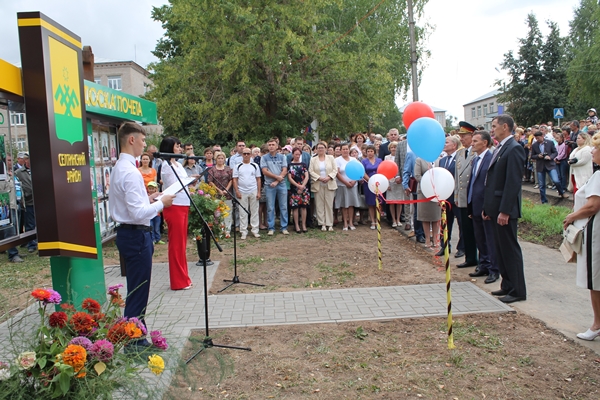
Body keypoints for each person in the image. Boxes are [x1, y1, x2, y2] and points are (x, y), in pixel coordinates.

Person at [110, 122, 174, 350]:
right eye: (143, 140)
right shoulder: (130, 172)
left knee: (138, 288)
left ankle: (139, 334)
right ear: (131, 140)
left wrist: (152, 198)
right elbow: (138, 213)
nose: (145, 145)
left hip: (130, 233)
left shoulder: (122, 168)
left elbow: (132, 206)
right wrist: (161, 204)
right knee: (138, 291)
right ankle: (133, 341)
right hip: (136, 235)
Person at [484, 115, 527, 303]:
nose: (492, 129)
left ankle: (518, 290)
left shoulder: (514, 148)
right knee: (500, 249)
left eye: (494, 126)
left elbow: (513, 183)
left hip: (505, 210)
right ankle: (507, 285)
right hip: (495, 207)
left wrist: (505, 210)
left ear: (506, 127)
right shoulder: (501, 147)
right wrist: (488, 207)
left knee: (510, 249)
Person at [563, 132, 600, 341]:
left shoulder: (599, 176)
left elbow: (593, 206)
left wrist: (572, 216)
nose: (592, 151)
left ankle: (596, 324)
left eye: (596, 148)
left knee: (595, 280)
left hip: (596, 232)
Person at [159, 136, 194, 290]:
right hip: (174, 206)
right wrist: (187, 181)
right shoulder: (166, 166)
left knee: (182, 244)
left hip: (184, 204)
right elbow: (173, 186)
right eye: (177, 146)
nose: (180, 149)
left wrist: (191, 179)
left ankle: (184, 277)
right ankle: (178, 281)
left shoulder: (178, 165)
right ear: (170, 147)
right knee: (176, 245)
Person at [467, 131, 499, 284]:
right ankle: (484, 265)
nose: (472, 144)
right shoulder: (475, 159)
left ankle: (494, 269)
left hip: (486, 206)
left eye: (475, 141)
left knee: (490, 239)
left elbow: (491, 186)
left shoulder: (491, 158)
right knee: (480, 237)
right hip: (475, 203)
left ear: (485, 143)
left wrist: (488, 206)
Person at [454, 121, 478, 267]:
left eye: (464, 136)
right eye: (460, 136)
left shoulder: (478, 153)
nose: (461, 139)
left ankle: (482, 260)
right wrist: (456, 196)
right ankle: (470, 258)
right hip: (462, 197)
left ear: (472, 135)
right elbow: (458, 178)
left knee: (477, 231)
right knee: (466, 229)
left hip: (473, 197)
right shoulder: (460, 153)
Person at [435, 135, 461, 257]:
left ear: (454, 145)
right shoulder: (442, 160)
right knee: (445, 222)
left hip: (456, 197)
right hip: (445, 197)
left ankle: (462, 248)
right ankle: (445, 245)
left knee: (461, 223)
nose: (444, 144)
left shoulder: (460, 158)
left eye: (447, 142)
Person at [530, 131, 569, 203]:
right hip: (540, 166)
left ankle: (561, 192)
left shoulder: (550, 142)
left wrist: (550, 157)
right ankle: (544, 201)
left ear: (542, 136)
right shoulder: (535, 145)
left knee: (556, 180)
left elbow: (555, 152)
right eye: (536, 138)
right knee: (541, 185)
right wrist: (538, 156)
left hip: (550, 165)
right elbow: (532, 156)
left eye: (538, 138)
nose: (537, 139)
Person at [261, 138, 289, 235]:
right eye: (270, 145)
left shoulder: (282, 157)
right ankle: (271, 228)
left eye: (273, 144)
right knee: (270, 207)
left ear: (277, 146)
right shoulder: (264, 158)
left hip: (281, 184)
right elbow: (265, 171)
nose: (271, 146)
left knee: (283, 206)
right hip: (269, 185)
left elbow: (284, 170)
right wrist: (277, 177)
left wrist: (277, 181)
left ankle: (284, 227)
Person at [233, 148, 261, 239]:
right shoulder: (238, 166)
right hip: (242, 191)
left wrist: (259, 191)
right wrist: (237, 191)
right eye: (244, 154)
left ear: (250, 155)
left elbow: (258, 179)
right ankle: (243, 231)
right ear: (242, 155)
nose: (246, 155)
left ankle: (255, 230)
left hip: (253, 190)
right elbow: (235, 179)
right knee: (242, 212)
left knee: (254, 211)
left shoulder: (255, 165)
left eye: (248, 154)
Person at [309, 142, 338, 231]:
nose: (320, 149)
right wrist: (319, 178)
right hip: (318, 184)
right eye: (319, 148)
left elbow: (335, 169)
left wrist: (329, 177)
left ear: (325, 149)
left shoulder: (331, 158)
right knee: (319, 204)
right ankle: (322, 223)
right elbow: (311, 171)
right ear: (316, 149)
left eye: (322, 148)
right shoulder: (313, 159)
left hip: (329, 183)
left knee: (329, 204)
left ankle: (330, 224)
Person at [414, 157, 441, 249]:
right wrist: (429, 180)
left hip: (436, 191)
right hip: (424, 191)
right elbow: (417, 175)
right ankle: (427, 239)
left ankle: (435, 238)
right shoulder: (420, 160)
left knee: (436, 216)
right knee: (425, 216)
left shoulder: (439, 159)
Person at [14, 153, 37, 253]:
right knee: (30, 224)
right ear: (25, 161)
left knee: (39, 223)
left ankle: (40, 242)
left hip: (39, 202)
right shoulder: (19, 172)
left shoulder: (37, 169)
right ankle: (31, 244)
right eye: (28, 160)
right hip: (28, 202)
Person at [208, 151, 233, 238]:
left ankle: (227, 231)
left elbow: (231, 179)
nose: (220, 160)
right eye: (219, 158)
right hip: (216, 194)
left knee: (227, 212)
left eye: (222, 158)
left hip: (227, 193)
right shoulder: (212, 170)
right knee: (218, 213)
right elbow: (210, 181)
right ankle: (219, 230)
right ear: (216, 159)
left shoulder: (228, 169)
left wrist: (226, 189)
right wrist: (218, 190)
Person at [335, 143, 361, 231]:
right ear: (341, 150)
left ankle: (351, 222)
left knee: (351, 204)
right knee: (344, 205)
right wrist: (346, 182)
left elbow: (359, 171)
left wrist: (354, 181)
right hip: (342, 185)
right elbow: (337, 173)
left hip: (353, 184)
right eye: (343, 149)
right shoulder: (337, 160)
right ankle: (345, 223)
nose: (345, 151)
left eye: (347, 149)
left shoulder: (354, 159)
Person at [360, 145, 383, 229]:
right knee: (371, 203)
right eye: (368, 151)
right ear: (366, 152)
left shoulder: (379, 160)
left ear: (374, 152)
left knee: (378, 202)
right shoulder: (364, 161)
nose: (370, 153)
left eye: (371, 151)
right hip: (368, 183)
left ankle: (378, 220)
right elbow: (363, 172)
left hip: (378, 183)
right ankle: (372, 221)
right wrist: (370, 180)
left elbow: (382, 170)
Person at [288, 148, 310, 233]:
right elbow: (289, 177)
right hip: (294, 188)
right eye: (296, 154)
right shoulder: (290, 165)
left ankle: (303, 225)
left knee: (304, 207)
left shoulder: (303, 165)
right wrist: (297, 186)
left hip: (304, 188)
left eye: (299, 154)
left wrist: (302, 186)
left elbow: (307, 176)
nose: (297, 156)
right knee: (295, 208)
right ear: (292, 154)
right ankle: (296, 225)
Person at [385, 141, 403, 227]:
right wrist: (386, 183)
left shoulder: (400, 156)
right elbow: (384, 170)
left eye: (395, 147)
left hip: (399, 181)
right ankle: (394, 220)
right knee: (391, 202)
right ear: (389, 148)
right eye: (392, 147)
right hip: (390, 181)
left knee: (399, 201)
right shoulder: (386, 157)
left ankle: (398, 219)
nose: (393, 149)